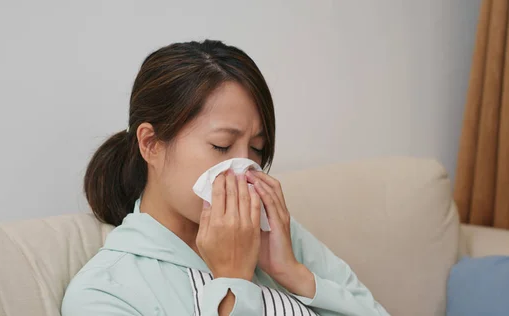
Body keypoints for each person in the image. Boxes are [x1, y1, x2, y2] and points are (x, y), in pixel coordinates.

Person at [61, 40, 389, 316]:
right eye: (222, 146)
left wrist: (292, 273)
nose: (244, 168)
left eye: (257, 149)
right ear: (151, 144)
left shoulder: (272, 233)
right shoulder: (104, 294)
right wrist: (233, 282)